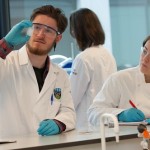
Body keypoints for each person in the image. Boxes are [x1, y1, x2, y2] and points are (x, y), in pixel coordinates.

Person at [0, 5, 76, 138]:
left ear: (57, 38)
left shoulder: (60, 75)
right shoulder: (5, 62)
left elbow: (68, 112)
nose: (40, 34)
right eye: (37, 27)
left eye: (48, 30)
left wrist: (58, 123)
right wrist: (5, 45)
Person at [69, 8, 117, 131]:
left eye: (73, 29)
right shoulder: (107, 54)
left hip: (86, 126)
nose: (73, 33)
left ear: (79, 31)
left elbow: (71, 99)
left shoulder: (83, 58)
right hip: (105, 122)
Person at [88, 35, 150, 126]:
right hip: (126, 139)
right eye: (145, 51)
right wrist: (120, 114)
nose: (145, 59)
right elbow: (93, 113)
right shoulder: (120, 79)